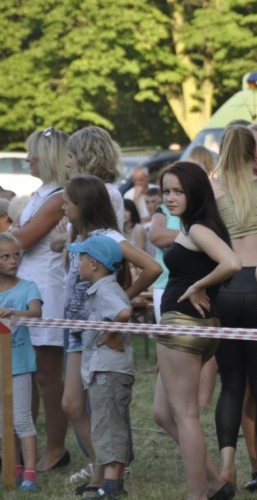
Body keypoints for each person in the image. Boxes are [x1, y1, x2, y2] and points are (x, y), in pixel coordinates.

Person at [59, 175, 161, 495]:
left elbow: (152, 267)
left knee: (94, 404)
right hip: (78, 329)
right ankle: (100, 470)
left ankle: (108, 475)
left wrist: (122, 298)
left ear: (83, 205)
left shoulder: (109, 237)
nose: (63, 208)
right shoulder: (80, 236)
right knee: (74, 404)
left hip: (99, 330)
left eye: (67, 203)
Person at [151, 161, 241, 500]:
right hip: (191, 328)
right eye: (166, 191)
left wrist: (197, 286)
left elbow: (232, 263)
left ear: (196, 192)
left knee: (185, 415)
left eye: (179, 191)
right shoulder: (196, 227)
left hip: (184, 326)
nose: (170, 198)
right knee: (163, 413)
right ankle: (215, 485)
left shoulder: (199, 229)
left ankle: (198, 494)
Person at [210, 124, 257, 494]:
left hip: (225, 287)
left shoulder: (213, 191)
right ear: (250, 152)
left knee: (232, 384)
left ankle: (226, 465)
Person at [12, 127, 71, 472]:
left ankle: (56, 448)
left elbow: (21, 239)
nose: (28, 158)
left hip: (47, 291)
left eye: (33, 152)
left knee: (48, 375)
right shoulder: (40, 194)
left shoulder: (58, 196)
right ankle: (25, 446)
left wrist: (11, 236)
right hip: (26, 288)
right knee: (26, 373)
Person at [66, 235, 134, 500]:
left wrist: (111, 335)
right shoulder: (104, 288)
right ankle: (110, 482)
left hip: (109, 371)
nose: (78, 263)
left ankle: (112, 486)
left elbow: (124, 313)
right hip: (104, 370)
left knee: (109, 426)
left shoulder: (106, 290)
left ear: (94, 264)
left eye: (81, 258)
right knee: (106, 424)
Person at [0, 232, 43, 491]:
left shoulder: (28, 287)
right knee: (3, 423)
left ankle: (29, 474)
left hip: (19, 365)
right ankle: (12, 468)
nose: (13, 261)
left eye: (16, 255)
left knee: (22, 420)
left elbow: (36, 312)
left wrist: (13, 312)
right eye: (5, 256)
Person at [65, 126, 125, 230]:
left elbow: (88, 236)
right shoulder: (85, 191)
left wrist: (62, 235)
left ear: (86, 158)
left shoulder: (107, 194)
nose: (67, 163)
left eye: (71, 156)